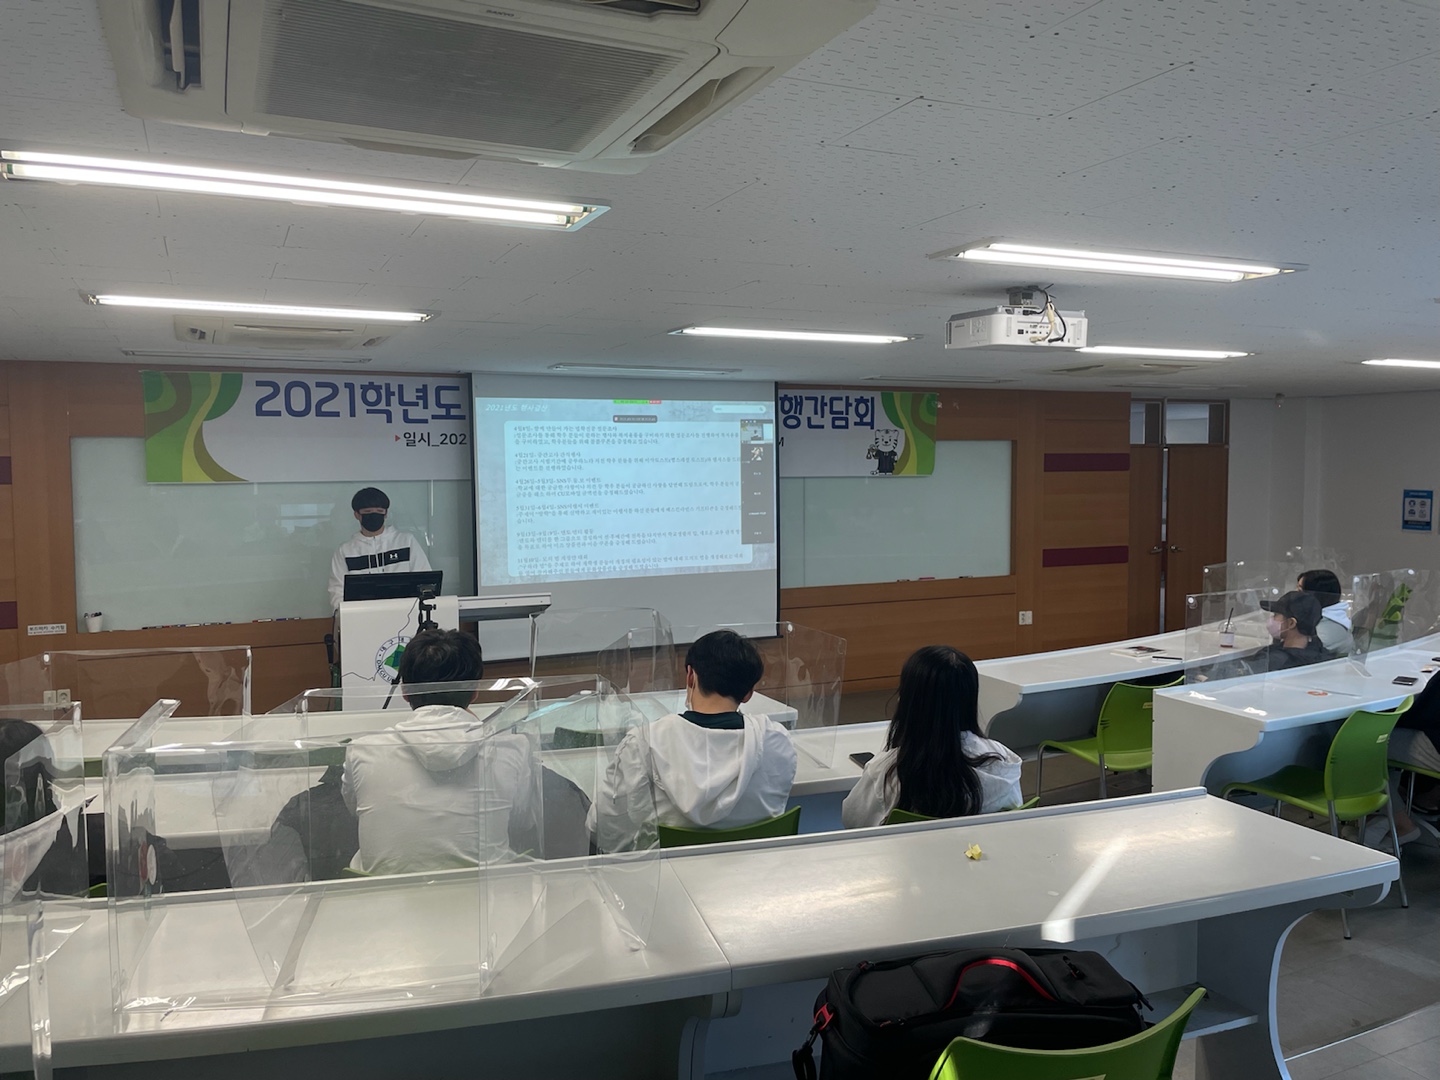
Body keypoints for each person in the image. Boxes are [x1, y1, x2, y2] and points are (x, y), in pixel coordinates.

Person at [342, 629, 536, 874]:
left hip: (386, 894)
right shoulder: (512, 748)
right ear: (475, 691)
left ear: (405, 691)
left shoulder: (362, 751)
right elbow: (521, 822)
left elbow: (358, 811)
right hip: (488, 893)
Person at [590, 629, 797, 852]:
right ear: (748, 693)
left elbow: (602, 828)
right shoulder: (776, 742)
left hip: (668, 873)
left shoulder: (643, 743)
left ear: (690, 676)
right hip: (755, 869)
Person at [842, 646, 1022, 829]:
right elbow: (1016, 819)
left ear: (907, 702)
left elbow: (853, 820)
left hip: (911, 849)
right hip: (981, 848)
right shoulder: (1003, 761)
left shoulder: (886, 771)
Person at [327, 487, 432, 610]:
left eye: (379, 511)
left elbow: (425, 581)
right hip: (363, 617)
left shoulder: (407, 542)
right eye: (368, 512)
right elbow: (337, 592)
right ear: (357, 515)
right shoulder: (345, 551)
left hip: (406, 614)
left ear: (386, 514)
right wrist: (348, 613)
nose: (374, 515)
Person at [1252, 590, 1328, 672]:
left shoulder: (1273, 662)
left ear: (1291, 623)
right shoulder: (1321, 654)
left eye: (1276, 615)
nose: (1271, 619)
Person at [1297, 569, 1354, 657]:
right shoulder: (1316, 619)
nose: (1295, 594)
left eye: (1300, 590)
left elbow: (1300, 655)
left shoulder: (1330, 629)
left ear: (1315, 594)